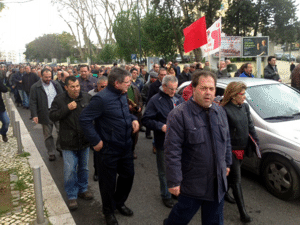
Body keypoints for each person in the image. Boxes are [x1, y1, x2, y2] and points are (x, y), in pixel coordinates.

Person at [163, 70, 232, 225]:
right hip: (192, 184)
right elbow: (172, 150)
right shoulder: (178, 115)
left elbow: (226, 140)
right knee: (179, 220)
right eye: (203, 88)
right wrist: (174, 180)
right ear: (193, 89)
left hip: (217, 184)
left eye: (211, 88)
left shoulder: (220, 111)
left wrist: (227, 163)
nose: (208, 93)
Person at [79, 67, 139, 225]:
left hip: (125, 145)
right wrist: (95, 141)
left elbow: (123, 113)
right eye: (127, 82)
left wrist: (133, 118)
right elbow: (84, 119)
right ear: (117, 83)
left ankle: (118, 203)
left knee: (128, 176)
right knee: (108, 183)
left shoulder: (122, 95)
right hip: (108, 149)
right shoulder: (101, 99)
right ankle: (108, 211)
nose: (130, 84)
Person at [49, 76, 93, 210]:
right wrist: (67, 108)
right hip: (68, 142)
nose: (76, 89)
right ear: (66, 87)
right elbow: (52, 116)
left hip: (84, 140)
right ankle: (72, 195)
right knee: (70, 170)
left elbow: (93, 115)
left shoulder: (86, 97)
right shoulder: (59, 99)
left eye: (77, 86)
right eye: (72, 87)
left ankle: (83, 189)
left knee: (84, 168)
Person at [142, 75, 184, 208]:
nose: (173, 92)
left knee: (178, 168)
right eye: (171, 89)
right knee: (164, 170)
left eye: (175, 89)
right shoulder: (155, 100)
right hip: (163, 141)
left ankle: (175, 192)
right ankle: (165, 195)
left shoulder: (178, 98)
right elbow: (146, 119)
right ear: (164, 86)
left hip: (179, 141)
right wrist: (161, 126)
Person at [221, 81, 259, 223]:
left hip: (243, 148)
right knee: (237, 180)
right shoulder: (224, 110)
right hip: (231, 150)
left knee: (232, 177)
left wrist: (256, 144)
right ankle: (243, 213)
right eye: (242, 94)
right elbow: (223, 135)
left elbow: (250, 126)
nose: (244, 97)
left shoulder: (245, 107)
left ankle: (224, 193)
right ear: (233, 95)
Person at [30, 68, 63, 161]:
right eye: (46, 77)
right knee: (48, 135)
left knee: (61, 131)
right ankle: (51, 152)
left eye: (50, 77)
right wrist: (34, 115)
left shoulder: (56, 84)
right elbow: (32, 102)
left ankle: (60, 147)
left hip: (57, 112)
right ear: (41, 76)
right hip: (45, 113)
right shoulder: (35, 87)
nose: (48, 79)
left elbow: (62, 96)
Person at [141, 72, 158, 139]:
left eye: (155, 78)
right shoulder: (146, 85)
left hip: (156, 104)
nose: (154, 79)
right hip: (149, 103)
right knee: (149, 118)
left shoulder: (157, 85)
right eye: (153, 78)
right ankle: (148, 133)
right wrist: (149, 99)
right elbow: (142, 94)